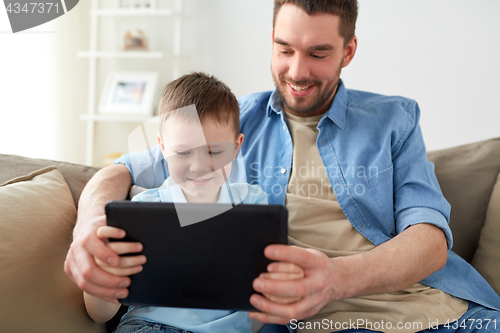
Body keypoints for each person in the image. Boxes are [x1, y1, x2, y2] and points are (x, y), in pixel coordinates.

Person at [66, 1, 500, 332]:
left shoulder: (394, 120)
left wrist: (337, 277)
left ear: (348, 51)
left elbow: (428, 238)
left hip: (431, 309)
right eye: (284, 49)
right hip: (317, 320)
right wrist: (88, 229)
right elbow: (116, 172)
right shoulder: (225, 124)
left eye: (318, 53)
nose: (297, 70)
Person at [83, 72, 304, 333]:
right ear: (162, 147)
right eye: (184, 152)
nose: (199, 166)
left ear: (236, 147)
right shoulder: (143, 210)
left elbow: (258, 310)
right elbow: (99, 313)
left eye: (214, 151)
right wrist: (105, 271)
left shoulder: (252, 204)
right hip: (150, 327)